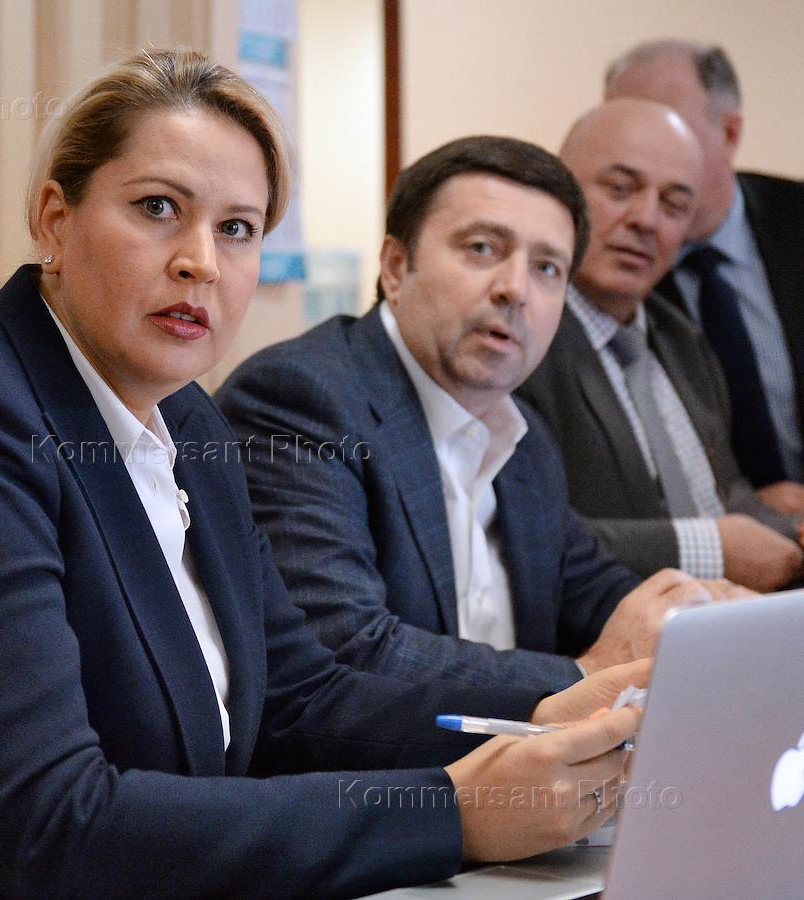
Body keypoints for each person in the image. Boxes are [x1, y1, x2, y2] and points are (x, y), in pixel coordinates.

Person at [0, 51, 644, 898]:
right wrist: (450, 814)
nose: (200, 262)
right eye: (157, 208)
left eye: (237, 229)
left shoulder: (186, 421)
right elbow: (52, 822)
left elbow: (299, 699)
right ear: (55, 220)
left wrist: (547, 709)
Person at [216, 135, 726, 693]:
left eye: (547, 268)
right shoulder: (302, 399)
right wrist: (584, 677)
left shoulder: (523, 438)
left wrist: (705, 617)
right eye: (482, 248)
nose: (515, 290)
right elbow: (345, 650)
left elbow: (593, 591)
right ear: (396, 267)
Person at [517, 99, 803, 591]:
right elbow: (520, 532)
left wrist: (788, 528)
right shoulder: (518, 341)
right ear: (560, 193)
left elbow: (721, 491)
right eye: (620, 188)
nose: (647, 220)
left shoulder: (682, 338)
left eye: (674, 205)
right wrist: (707, 548)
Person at [605, 40, 804, 509]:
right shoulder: (608, 265)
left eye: (667, 127)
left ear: (730, 133)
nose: (640, 150)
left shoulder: (794, 218)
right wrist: (744, 508)